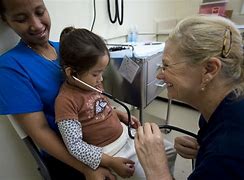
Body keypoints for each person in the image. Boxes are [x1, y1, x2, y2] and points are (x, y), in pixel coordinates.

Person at [0, 0, 116, 179]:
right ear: (6, 20)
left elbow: (92, 93)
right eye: (22, 19)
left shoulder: (67, 49)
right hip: (70, 157)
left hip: (101, 136)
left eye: (40, 12)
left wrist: (113, 114)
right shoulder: (10, 67)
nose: (36, 25)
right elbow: (40, 131)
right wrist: (86, 169)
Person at [55, 26, 176, 180]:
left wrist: (120, 114)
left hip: (126, 135)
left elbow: (100, 106)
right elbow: (76, 147)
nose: (101, 79)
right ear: (72, 73)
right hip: (111, 152)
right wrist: (111, 162)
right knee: (145, 175)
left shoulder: (92, 84)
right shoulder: (65, 101)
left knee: (169, 150)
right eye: (95, 74)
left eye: (102, 72)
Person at [134, 15, 244, 180]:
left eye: (166, 66)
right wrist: (203, 148)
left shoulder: (226, 154)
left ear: (209, 69)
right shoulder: (221, 107)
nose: (159, 75)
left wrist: (156, 168)